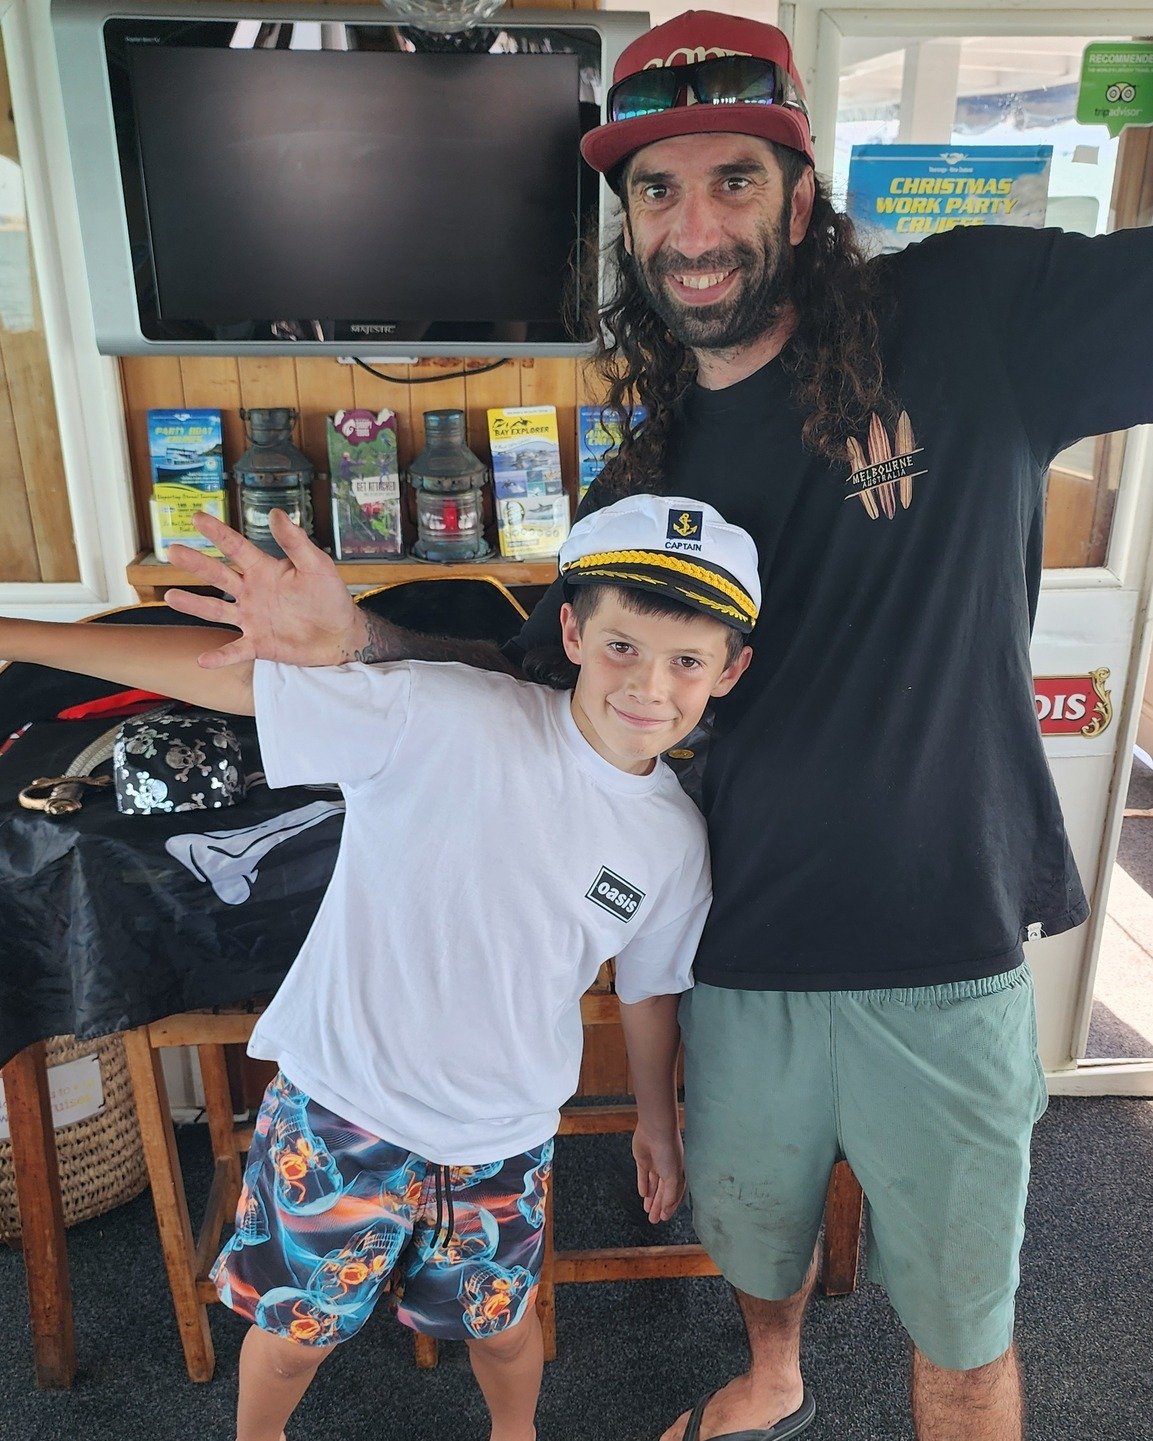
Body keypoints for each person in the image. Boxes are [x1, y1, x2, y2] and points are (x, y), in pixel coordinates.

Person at [161, 11, 1153, 1441]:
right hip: (736, 948)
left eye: (733, 181)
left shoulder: (972, 318)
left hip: (939, 955)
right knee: (755, 1250)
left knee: (965, 1331)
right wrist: (356, 639)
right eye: (654, 189)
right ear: (626, 220)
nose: (693, 227)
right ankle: (773, 1375)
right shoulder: (653, 466)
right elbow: (524, 671)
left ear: (803, 199)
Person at [0, 492, 759, 1441]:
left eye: (686, 661)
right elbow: (243, 687)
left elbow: (648, 987)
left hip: (502, 1134)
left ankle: (512, 1433)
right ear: (570, 629)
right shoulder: (442, 710)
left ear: (728, 670)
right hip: (339, 1107)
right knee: (293, 1336)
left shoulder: (675, 840)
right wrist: (14, 633)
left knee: (504, 1327)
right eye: (620, 645)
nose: (649, 684)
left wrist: (657, 1120)